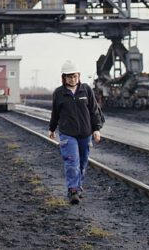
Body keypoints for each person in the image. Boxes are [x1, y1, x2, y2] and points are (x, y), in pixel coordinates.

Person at [48, 60, 103, 204]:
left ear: (79, 76)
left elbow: (94, 111)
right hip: (68, 134)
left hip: (85, 134)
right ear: (64, 78)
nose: (72, 79)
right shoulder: (59, 93)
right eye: (69, 76)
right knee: (72, 162)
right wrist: (52, 128)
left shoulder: (86, 90)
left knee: (83, 163)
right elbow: (55, 113)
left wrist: (96, 129)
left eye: (75, 76)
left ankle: (78, 187)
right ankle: (72, 190)